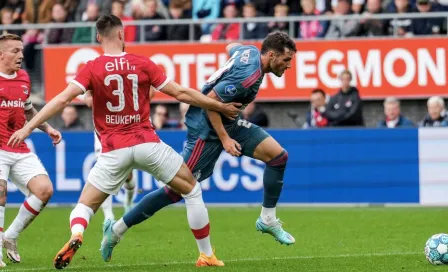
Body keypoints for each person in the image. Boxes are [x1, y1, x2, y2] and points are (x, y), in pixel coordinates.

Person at [7, 14, 241, 269]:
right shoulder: (141, 63)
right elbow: (182, 93)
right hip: (147, 144)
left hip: (113, 151)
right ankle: (206, 255)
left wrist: (29, 127)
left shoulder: (92, 67)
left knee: (85, 206)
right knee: (191, 190)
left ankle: (77, 234)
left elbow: (62, 100)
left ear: (98, 37)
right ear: (122, 34)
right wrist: (218, 105)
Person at [100, 31, 297, 262]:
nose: (288, 66)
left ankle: (268, 219)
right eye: (286, 60)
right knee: (175, 191)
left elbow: (231, 46)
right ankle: (115, 231)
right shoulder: (248, 77)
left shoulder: (249, 51)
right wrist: (224, 139)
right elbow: (211, 102)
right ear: (272, 55)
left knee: (278, 157)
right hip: (207, 128)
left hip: (229, 121)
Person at [0, 33, 62, 266]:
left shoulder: (24, 78)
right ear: (1, 54)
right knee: (1, 192)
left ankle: (11, 236)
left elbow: (28, 110)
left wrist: (48, 129)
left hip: (18, 146)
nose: (21, 55)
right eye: (15, 51)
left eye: (22, 50)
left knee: (44, 190)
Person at [84, 90, 135, 221]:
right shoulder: (96, 75)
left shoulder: (126, 74)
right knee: (105, 173)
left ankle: (128, 201)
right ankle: (108, 217)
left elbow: (147, 94)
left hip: (124, 129)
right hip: (103, 132)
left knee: (128, 176)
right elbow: (88, 99)